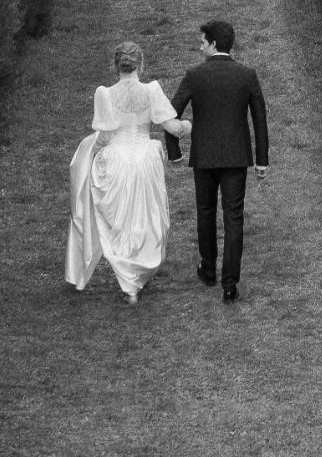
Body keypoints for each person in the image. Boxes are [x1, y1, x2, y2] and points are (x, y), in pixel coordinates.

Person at [65, 41, 190, 304]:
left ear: (116, 66)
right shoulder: (151, 91)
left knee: (119, 221)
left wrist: (92, 152)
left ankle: (129, 282)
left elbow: (106, 134)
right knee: (147, 217)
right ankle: (135, 277)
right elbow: (172, 127)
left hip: (117, 159)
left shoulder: (106, 94)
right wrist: (189, 126)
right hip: (145, 158)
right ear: (140, 65)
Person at [168, 19, 269, 304]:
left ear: (213, 44)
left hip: (204, 156)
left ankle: (209, 269)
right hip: (236, 157)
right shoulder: (247, 75)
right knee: (234, 217)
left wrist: (174, 151)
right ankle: (230, 284)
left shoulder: (194, 75)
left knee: (206, 211)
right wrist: (262, 160)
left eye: (202, 42)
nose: (200, 47)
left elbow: (170, 114)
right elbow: (260, 120)